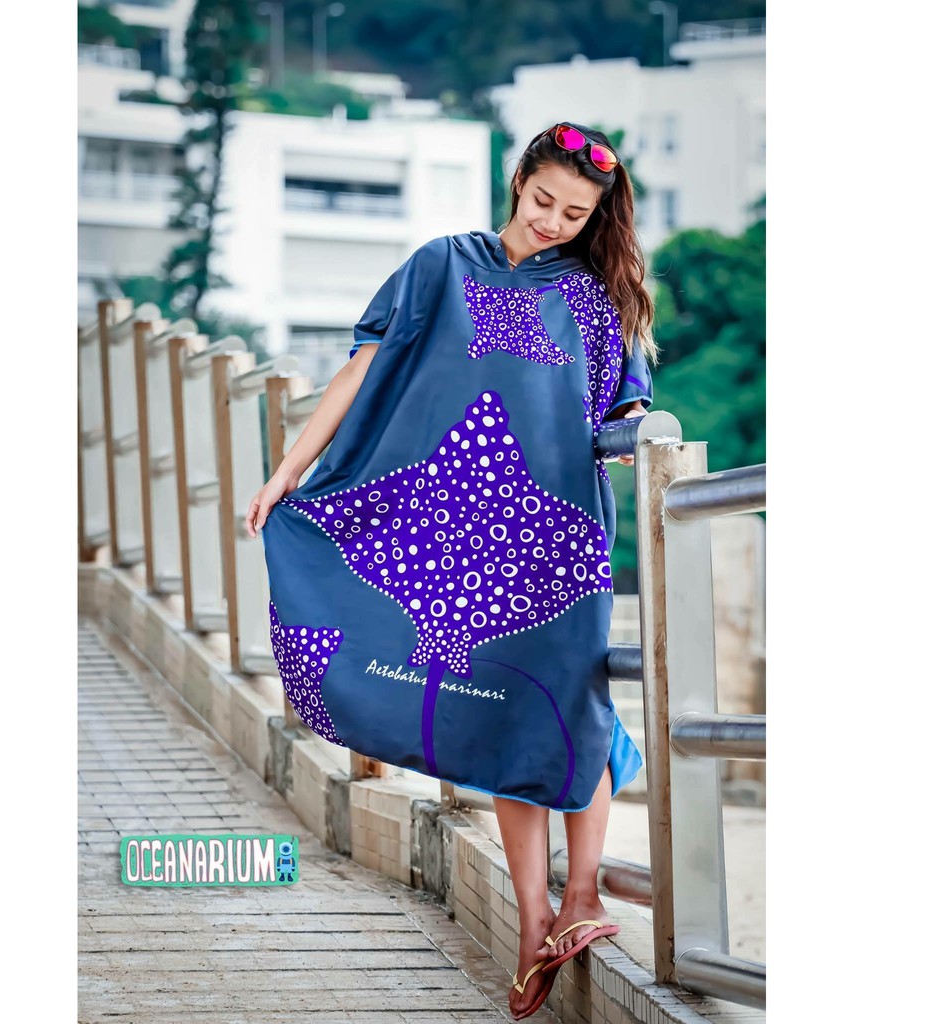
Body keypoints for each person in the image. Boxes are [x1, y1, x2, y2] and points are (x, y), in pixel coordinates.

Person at [247, 121, 657, 1021]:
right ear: (518, 182)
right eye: (544, 201)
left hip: (555, 537)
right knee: (502, 715)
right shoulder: (441, 266)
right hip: (446, 529)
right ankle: (534, 921)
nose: (553, 221)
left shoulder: (597, 296)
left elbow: (623, 410)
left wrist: (633, 437)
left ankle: (582, 898)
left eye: (575, 214)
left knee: (569, 705)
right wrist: (289, 471)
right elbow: (363, 371)